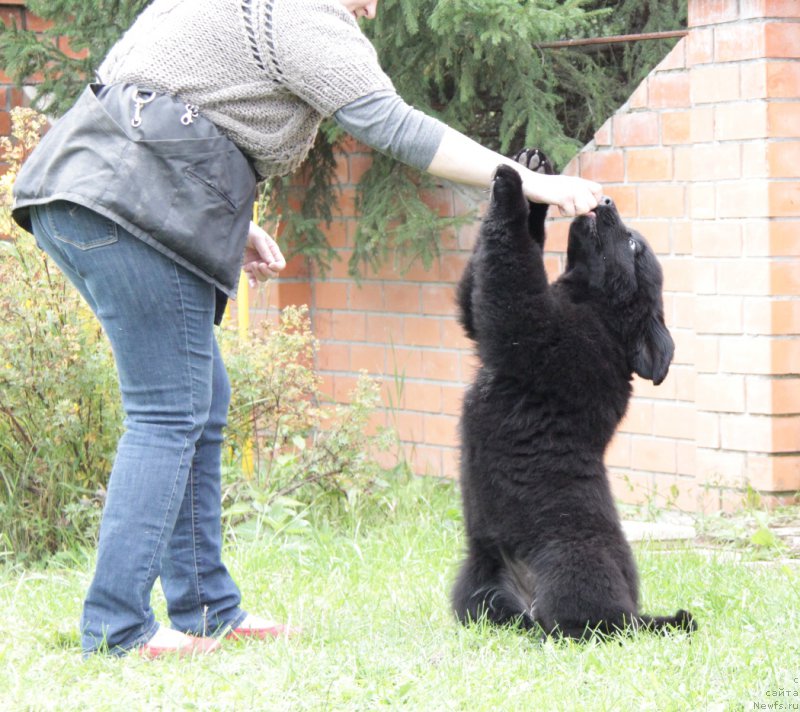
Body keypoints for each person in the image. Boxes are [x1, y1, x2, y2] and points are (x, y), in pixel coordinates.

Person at [11, 0, 602, 658]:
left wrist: (231, 220)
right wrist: (527, 182)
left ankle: (208, 608)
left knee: (197, 402)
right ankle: (117, 629)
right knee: (168, 412)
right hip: (124, 208)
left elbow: (161, 97)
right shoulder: (301, 14)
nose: (372, 8)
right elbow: (395, 126)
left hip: (84, 196)